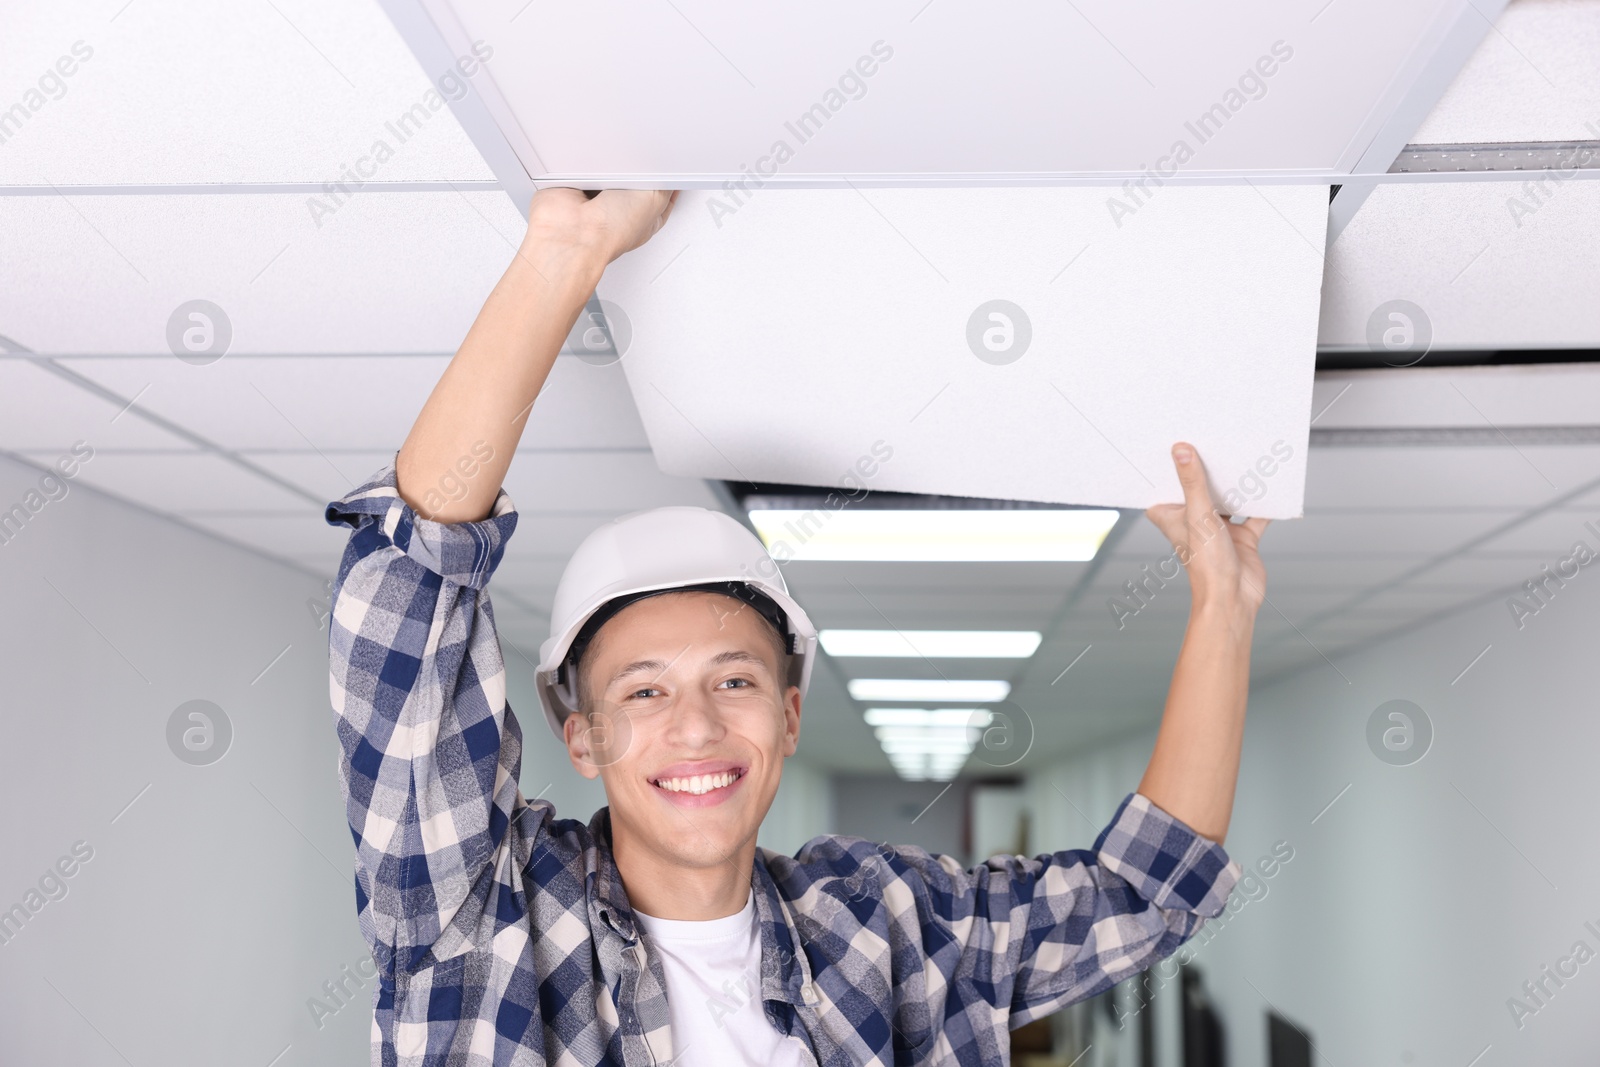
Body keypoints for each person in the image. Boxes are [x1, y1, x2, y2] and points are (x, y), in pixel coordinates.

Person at [324, 188, 1269, 1066]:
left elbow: (1144, 893)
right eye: (643, 690)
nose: (695, 726)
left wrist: (1224, 604)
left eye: (732, 681)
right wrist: (565, 256)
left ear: (789, 715)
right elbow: (408, 591)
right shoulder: (481, 919)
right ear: (583, 735)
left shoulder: (886, 930)